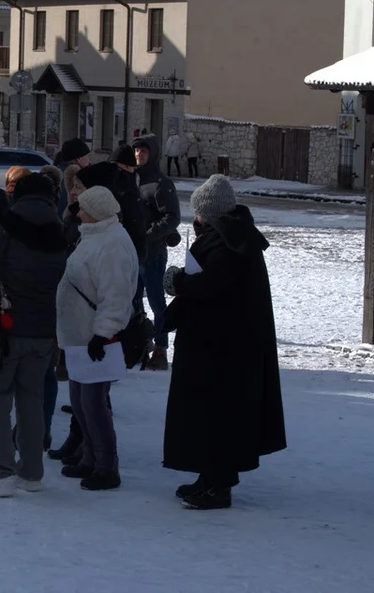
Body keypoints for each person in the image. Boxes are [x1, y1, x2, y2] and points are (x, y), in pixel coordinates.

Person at [162, 175, 286, 510]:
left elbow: (210, 286)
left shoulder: (228, 243)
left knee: (218, 417)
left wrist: (178, 282)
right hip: (223, 344)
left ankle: (218, 486)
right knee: (212, 416)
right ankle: (210, 478)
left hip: (222, 348)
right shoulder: (230, 238)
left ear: (210, 213)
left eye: (199, 214)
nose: (196, 220)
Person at [0, 172, 68, 498]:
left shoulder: (3, 229)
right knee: (31, 401)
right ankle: (32, 472)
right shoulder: (60, 233)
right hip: (44, 330)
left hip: (2, 328)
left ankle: (1, 471)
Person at [55, 186, 138, 491]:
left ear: (97, 211)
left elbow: (115, 295)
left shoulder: (113, 243)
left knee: (93, 403)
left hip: (96, 336)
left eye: (83, 207)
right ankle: (90, 458)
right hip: (79, 334)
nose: (78, 212)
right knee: (79, 401)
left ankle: (106, 466)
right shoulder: (93, 235)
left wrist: (103, 334)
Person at [133, 135, 181, 371]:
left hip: (152, 253)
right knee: (132, 303)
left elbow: (172, 217)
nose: (139, 154)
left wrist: (149, 234)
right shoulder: (133, 179)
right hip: (132, 253)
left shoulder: (161, 183)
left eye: (143, 151)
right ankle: (139, 344)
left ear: (152, 154)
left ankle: (160, 349)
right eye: (137, 151)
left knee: (156, 302)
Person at [56, 138, 91, 215]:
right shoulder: (74, 177)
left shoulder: (58, 172)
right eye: (88, 156)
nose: (90, 160)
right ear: (79, 158)